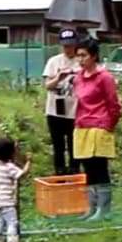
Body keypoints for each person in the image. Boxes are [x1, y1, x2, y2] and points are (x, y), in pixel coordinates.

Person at [72, 37, 122, 220]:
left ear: (94, 56)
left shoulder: (104, 77)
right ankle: (91, 207)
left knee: (99, 167)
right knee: (88, 169)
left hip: (99, 125)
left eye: (84, 55)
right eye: (78, 56)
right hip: (81, 125)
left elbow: (113, 104)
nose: (80, 59)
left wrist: (109, 124)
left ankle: (104, 209)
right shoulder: (77, 78)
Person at [42, 28, 80, 175]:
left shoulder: (80, 60)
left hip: (74, 110)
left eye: (70, 45)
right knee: (58, 145)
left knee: (73, 144)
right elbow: (47, 85)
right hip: (55, 110)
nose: (68, 49)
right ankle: (59, 172)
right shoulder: (54, 61)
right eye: (65, 46)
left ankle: (74, 171)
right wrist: (59, 77)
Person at [0, 137, 31, 242]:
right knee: (12, 222)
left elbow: (6, 154)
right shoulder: (9, 167)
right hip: (7, 202)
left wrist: (14, 147)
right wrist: (28, 162)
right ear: (10, 153)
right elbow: (22, 174)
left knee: (0, 222)